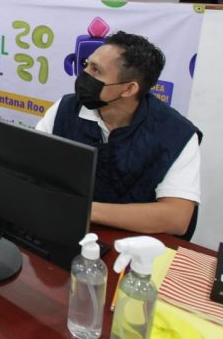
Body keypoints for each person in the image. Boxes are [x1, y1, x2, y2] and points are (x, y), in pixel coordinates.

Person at [36, 31, 201, 236]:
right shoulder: (66, 108)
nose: (84, 74)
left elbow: (176, 218)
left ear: (129, 89)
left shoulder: (176, 133)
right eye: (87, 64)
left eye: (96, 70)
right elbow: (31, 166)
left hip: (136, 246)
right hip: (67, 232)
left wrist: (85, 210)